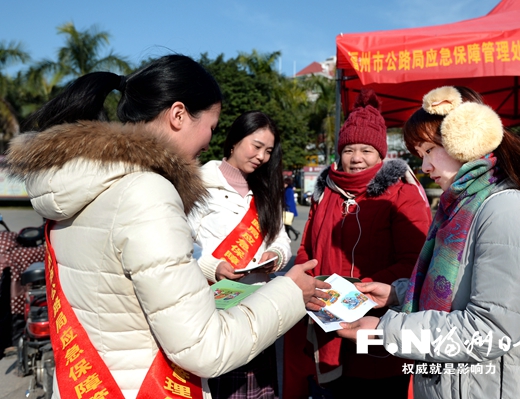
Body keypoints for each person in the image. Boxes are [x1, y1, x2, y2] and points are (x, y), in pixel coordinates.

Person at [6, 54, 327, 399]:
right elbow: (203, 346)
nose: (208, 141)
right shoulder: (146, 192)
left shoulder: (82, 183)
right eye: (211, 126)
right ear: (178, 115)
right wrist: (292, 293)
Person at [338, 86, 520, 399]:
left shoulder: (511, 212)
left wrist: (383, 331)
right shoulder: (463, 205)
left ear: (465, 138)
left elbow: (489, 331)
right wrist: (397, 294)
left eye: (429, 150)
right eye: (420, 155)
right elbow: (463, 286)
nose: (425, 167)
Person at [283, 89, 432, 399]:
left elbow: (416, 261)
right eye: (349, 149)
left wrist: (357, 292)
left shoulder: (401, 193)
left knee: (376, 386)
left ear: (381, 154)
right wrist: (308, 280)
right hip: (327, 324)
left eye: (366, 149)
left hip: (377, 323)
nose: (356, 158)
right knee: (334, 387)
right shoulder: (326, 193)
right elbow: (306, 249)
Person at [187, 110, 292, 398]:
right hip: (216, 308)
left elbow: (280, 238)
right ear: (233, 141)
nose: (262, 157)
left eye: (268, 151)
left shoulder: (265, 188)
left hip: (259, 306)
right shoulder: (198, 182)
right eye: (256, 146)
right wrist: (214, 266)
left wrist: (276, 255)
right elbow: (181, 243)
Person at [283, 177, 300, 241]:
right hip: (290, 209)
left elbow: (288, 201)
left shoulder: (288, 190)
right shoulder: (289, 189)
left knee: (286, 224)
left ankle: (295, 232)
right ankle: (289, 237)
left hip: (289, 210)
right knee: (286, 225)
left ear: (287, 183)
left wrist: (285, 206)